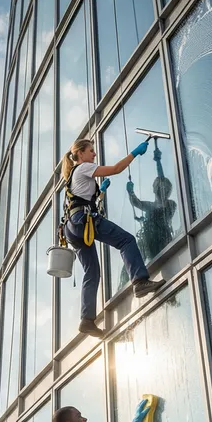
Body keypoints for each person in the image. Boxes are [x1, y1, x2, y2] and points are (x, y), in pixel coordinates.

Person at [61, 138, 165, 339]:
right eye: (91, 150)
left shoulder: (74, 177)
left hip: (73, 228)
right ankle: (140, 282)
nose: (94, 154)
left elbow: (82, 198)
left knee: (92, 273)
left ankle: (87, 320)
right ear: (80, 154)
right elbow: (117, 168)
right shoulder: (83, 168)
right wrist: (135, 152)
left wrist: (101, 191)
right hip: (84, 221)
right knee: (126, 241)